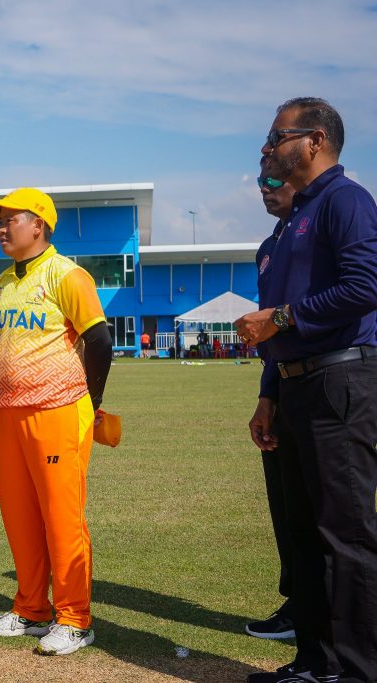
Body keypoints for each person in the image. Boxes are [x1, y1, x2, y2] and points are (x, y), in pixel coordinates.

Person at [236, 97, 377, 683]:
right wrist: (269, 391)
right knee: (303, 534)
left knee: (344, 536)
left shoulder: (346, 202)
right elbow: (279, 329)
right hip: (295, 386)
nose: (267, 149)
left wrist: (284, 319)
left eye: (276, 137)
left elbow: (365, 286)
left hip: (340, 379)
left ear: (314, 140)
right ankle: (314, 663)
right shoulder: (293, 221)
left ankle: (358, 670)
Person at [0, 187, 113, 656]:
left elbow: (99, 341)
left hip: (57, 409)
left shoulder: (67, 275)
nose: (0, 227)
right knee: (19, 516)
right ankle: (31, 608)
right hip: (6, 412)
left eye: (9, 218)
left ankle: (74, 619)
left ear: (38, 224)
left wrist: (91, 402)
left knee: (61, 517)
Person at [243, 166, 298, 642]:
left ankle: (338, 615)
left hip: (334, 378)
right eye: (261, 181)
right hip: (283, 382)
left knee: (330, 511)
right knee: (286, 505)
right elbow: (270, 337)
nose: (266, 188)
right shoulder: (268, 249)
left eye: (275, 180)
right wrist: (266, 395)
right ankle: (299, 601)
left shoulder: (326, 224)